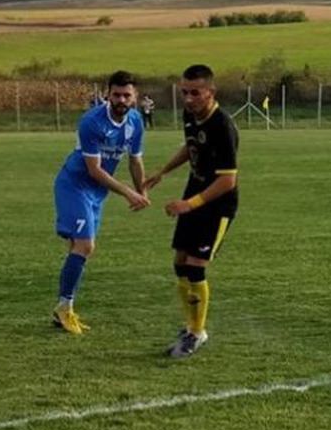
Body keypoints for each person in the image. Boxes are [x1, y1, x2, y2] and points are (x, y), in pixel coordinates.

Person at [144, 64, 240, 359]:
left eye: (194, 93)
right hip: (194, 193)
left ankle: (197, 333)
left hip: (217, 203)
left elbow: (228, 180)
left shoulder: (222, 126)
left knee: (196, 265)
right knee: (180, 262)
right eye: (184, 92)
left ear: (211, 92)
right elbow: (190, 146)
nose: (188, 99)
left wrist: (190, 204)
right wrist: (164, 171)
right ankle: (190, 326)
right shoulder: (191, 115)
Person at [52, 70, 150, 334]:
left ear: (135, 97)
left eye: (126, 95)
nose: (121, 100)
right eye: (116, 94)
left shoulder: (136, 122)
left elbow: (135, 159)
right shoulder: (92, 121)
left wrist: (142, 191)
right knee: (85, 245)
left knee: (78, 248)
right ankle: (64, 308)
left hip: (97, 192)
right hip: (74, 185)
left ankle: (63, 308)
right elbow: (94, 170)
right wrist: (129, 193)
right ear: (108, 94)